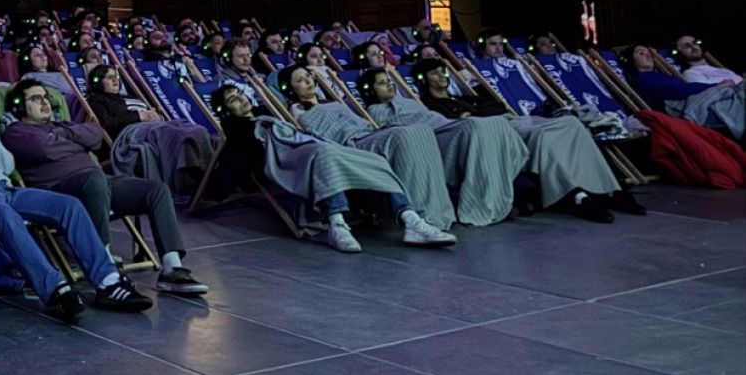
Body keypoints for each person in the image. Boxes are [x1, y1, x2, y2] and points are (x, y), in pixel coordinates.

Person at [0, 85, 153, 324]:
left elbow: (6, 164)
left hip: (5, 190)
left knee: (68, 206)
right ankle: (56, 289)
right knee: (4, 214)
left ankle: (108, 282)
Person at [0, 80, 208, 295]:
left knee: (156, 190)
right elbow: (43, 149)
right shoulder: (16, 132)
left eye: (45, 97)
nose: (44, 102)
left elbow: (96, 135)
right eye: (35, 98)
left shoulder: (62, 126)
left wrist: (61, 136)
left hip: (98, 183)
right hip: (60, 190)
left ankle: (171, 268)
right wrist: (76, 141)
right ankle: (104, 266)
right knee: (94, 179)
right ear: (19, 106)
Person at [210, 84, 453, 253]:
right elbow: (236, 163)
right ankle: (337, 224)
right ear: (226, 111)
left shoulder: (269, 115)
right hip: (286, 159)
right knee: (324, 154)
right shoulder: (238, 131)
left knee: (372, 159)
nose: (241, 98)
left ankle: (410, 220)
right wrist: (212, 191)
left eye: (240, 94)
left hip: (309, 147)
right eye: (232, 100)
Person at [412, 58, 641, 221]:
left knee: (571, 124)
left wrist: (474, 110)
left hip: (513, 119)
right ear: (423, 81)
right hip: (497, 131)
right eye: (434, 73)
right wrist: (474, 114)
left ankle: (609, 188)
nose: (441, 76)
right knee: (543, 138)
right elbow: (457, 124)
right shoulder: (431, 107)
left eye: (443, 72)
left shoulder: (464, 98)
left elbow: (497, 105)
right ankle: (579, 196)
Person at [277, 65, 460, 238]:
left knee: (421, 130)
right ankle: (420, 215)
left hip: (366, 135)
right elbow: (317, 133)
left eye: (308, 76)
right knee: (405, 134)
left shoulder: (334, 103)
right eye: (300, 80)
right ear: (290, 89)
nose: (308, 81)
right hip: (351, 144)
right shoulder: (297, 111)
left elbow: (361, 123)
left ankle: (435, 210)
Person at [356, 68, 528, 226]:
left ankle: (496, 198)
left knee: (494, 123)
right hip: (430, 136)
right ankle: (482, 203)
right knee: (475, 126)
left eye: (389, 81)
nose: (388, 85)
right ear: (370, 90)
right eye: (381, 83)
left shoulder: (410, 102)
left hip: (445, 126)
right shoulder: (373, 111)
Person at [84, 64, 213, 193]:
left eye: (116, 76)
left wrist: (154, 116)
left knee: (188, 127)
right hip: (130, 132)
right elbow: (108, 124)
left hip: (151, 125)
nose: (115, 80)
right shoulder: (98, 101)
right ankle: (199, 179)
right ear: (98, 83)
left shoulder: (128, 97)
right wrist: (139, 116)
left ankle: (206, 171)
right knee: (180, 134)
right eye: (109, 77)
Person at [625, 45, 745, 141]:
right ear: (631, 61)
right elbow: (679, 91)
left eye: (649, 52)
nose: (648, 55)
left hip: (697, 99)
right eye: (641, 53)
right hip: (688, 107)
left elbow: (685, 88)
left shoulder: (659, 76)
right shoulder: (642, 79)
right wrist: (717, 86)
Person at [674, 35, 742, 85]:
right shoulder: (690, 73)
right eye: (687, 46)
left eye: (695, 43)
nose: (694, 47)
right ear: (680, 54)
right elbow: (708, 93)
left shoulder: (723, 69)